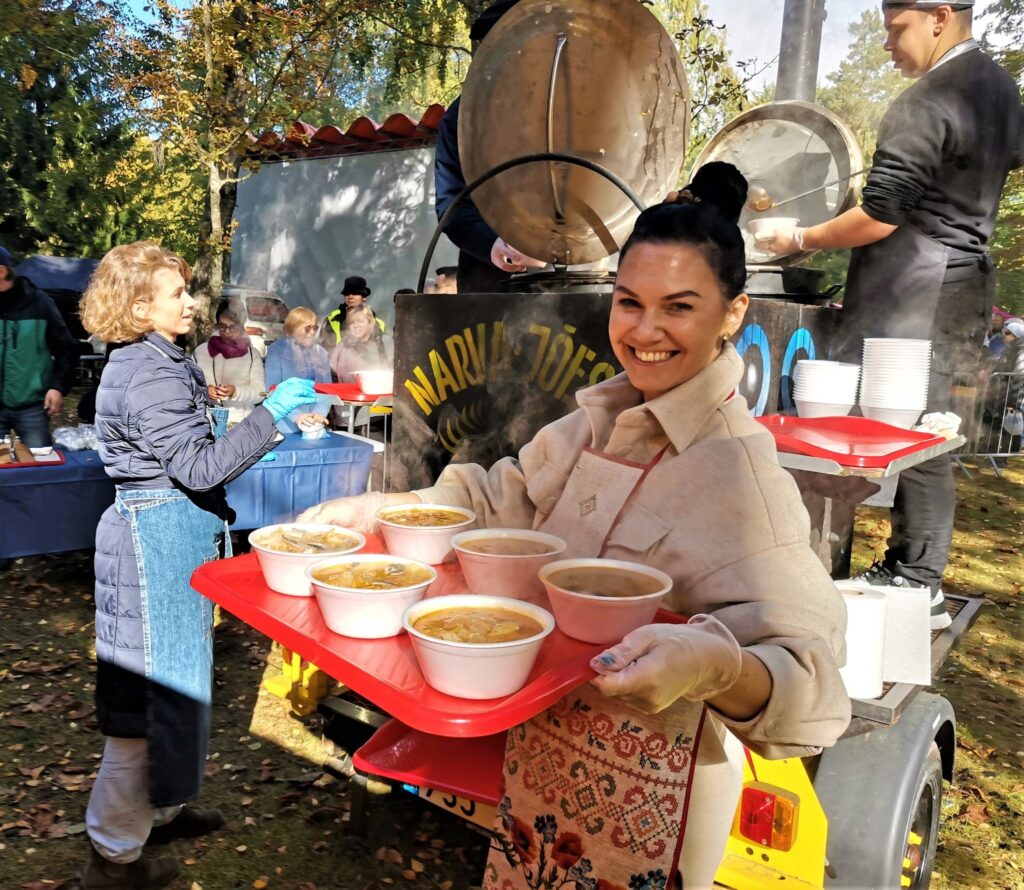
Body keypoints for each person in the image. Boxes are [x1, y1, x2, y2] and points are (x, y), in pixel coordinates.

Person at [301, 166, 849, 888]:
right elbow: (496, 499)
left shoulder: (744, 480)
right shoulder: (591, 423)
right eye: (629, 303)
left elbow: (815, 696)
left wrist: (714, 666)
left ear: (733, 313)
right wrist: (384, 509)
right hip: (541, 773)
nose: (645, 331)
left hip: (653, 810)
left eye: (679, 307)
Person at [767, 0, 1024, 629]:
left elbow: (881, 214)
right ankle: (914, 570)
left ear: (938, 16)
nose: (887, 44)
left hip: (916, 288)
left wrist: (798, 238)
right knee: (931, 424)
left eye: (894, 27)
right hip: (962, 281)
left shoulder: (930, 97)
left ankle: (916, 581)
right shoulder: (1000, 88)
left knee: (918, 430)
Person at [77, 241, 315, 889]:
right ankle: (113, 858)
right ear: (138, 306)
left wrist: (245, 436)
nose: (190, 302)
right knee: (148, 705)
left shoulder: (155, 357)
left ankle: (160, 811)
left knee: (176, 685)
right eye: (176, 293)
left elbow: (186, 451)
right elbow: (199, 468)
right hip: (152, 541)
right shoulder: (148, 370)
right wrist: (268, 417)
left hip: (167, 532)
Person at [434, 0, 547, 294]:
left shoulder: (571, 103)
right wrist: (491, 244)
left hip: (570, 274)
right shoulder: (461, 117)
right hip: (488, 278)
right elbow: (451, 204)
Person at [0, 244, 79, 446]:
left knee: (39, 463)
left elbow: (67, 348)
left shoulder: (39, 302)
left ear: (2, 272)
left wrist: (58, 387)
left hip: (32, 407)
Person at [193, 300, 266, 425]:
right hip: (208, 423)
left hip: (242, 423)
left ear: (242, 326)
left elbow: (261, 393)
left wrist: (236, 392)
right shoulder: (200, 352)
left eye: (233, 327)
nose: (227, 332)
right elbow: (188, 387)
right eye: (222, 326)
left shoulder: (252, 355)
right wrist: (206, 390)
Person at [265, 307, 334, 434]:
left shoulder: (321, 353)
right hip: (285, 427)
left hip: (314, 425)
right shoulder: (276, 350)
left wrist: (319, 414)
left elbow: (328, 390)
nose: (312, 332)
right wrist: (297, 416)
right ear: (292, 328)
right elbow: (273, 391)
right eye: (307, 328)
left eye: (315, 328)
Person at [329, 304, 394, 384]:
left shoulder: (384, 342)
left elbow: (394, 371)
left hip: (378, 389)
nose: (356, 326)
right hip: (347, 390)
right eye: (352, 322)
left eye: (360, 321)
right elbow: (331, 374)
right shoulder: (342, 347)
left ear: (370, 322)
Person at [320, 276, 384, 348]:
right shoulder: (333, 320)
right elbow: (324, 350)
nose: (350, 296)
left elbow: (384, 350)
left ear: (364, 297)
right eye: (347, 293)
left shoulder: (379, 324)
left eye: (355, 293)